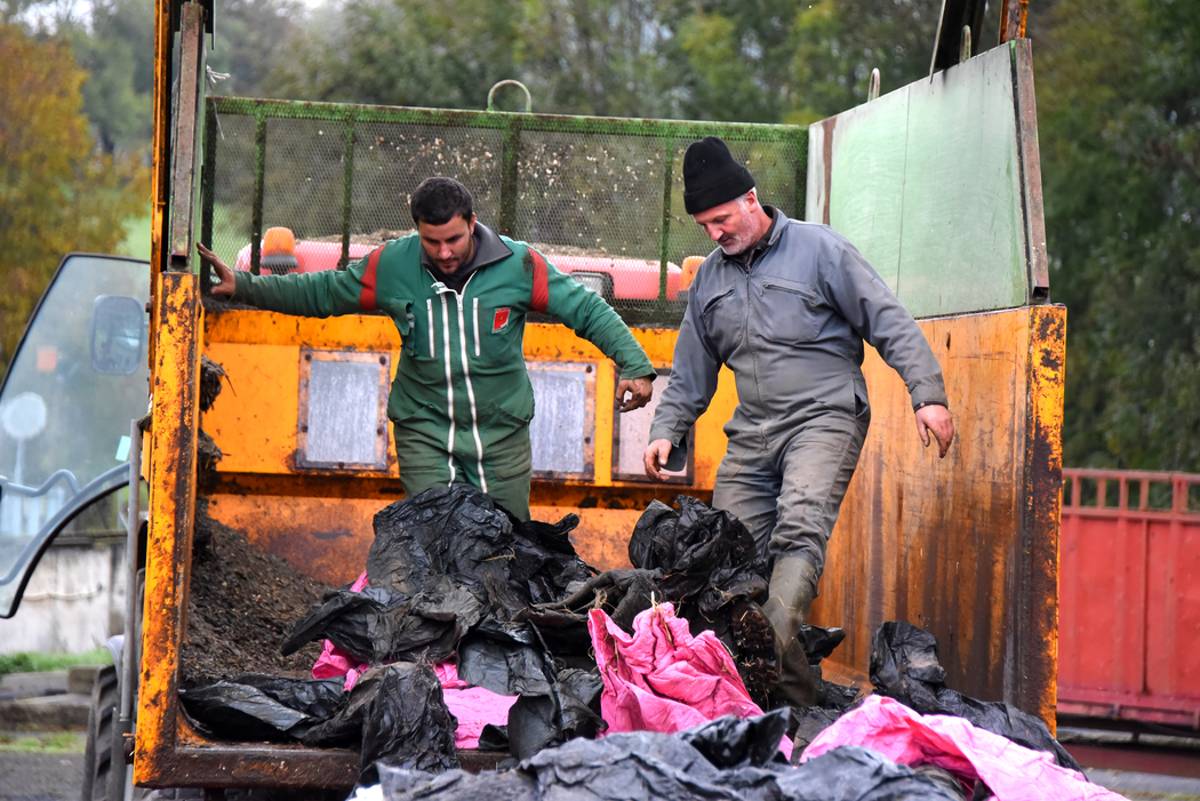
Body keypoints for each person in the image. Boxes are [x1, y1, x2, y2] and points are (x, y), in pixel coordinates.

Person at [642, 137, 955, 705]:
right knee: (728, 556)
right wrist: (666, 428)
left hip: (824, 417)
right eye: (703, 225)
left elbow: (886, 318)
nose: (714, 233)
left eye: (721, 218)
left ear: (751, 198)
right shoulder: (709, 282)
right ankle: (792, 695)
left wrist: (926, 394)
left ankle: (761, 657)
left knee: (799, 529)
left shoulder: (820, 252)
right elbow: (691, 373)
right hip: (754, 431)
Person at [199, 176, 656, 520]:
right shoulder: (392, 265)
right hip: (425, 431)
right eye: (431, 241)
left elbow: (585, 309)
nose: (443, 252)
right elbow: (320, 294)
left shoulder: (519, 264)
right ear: (416, 230)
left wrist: (634, 363)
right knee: (436, 535)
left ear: (472, 224)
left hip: (501, 434)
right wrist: (245, 285)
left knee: (508, 542)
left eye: (453, 239)